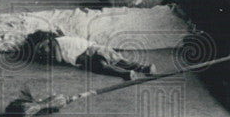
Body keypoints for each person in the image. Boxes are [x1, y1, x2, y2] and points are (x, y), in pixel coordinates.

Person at [20, 28, 155, 80]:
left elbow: (60, 59)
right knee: (117, 61)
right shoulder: (59, 41)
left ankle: (127, 73)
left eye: (42, 47)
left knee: (104, 66)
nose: (43, 51)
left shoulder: (56, 42)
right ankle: (143, 68)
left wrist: (48, 58)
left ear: (46, 39)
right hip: (91, 53)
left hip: (91, 52)